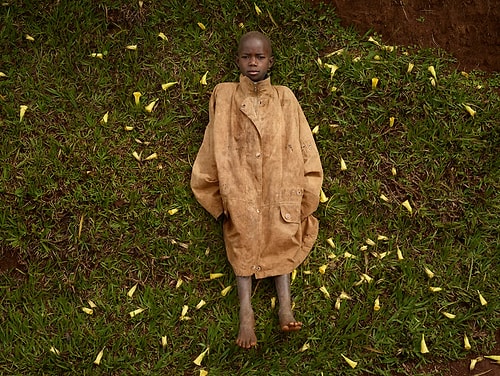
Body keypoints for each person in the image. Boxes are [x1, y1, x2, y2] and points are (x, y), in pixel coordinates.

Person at [191, 31, 323, 349]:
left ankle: (285, 306)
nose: (253, 63)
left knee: (283, 234)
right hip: (239, 188)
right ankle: (245, 314)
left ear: (270, 62)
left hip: (282, 185)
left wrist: (306, 190)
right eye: (247, 57)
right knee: (241, 242)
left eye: (259, 57)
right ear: (237, 60)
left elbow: (306, 144)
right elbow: (212, 146)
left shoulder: (285, 97)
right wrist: (215, 198)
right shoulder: (223, 96)